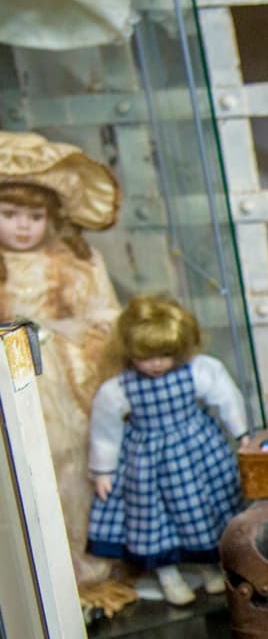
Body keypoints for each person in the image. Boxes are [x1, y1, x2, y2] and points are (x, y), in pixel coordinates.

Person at [0, 131, 122, 589]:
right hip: (11, 379)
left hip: (66, 379)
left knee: (73, 466)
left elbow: (107, 316)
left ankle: (80, 560)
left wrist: (78, 337)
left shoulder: (76, 260)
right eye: (9, 215)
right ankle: (30, 572)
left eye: (35, 216)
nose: (23, 226)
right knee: (22, 470)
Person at [87, 294, 248, 606]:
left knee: (206, 509)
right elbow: (105, 428)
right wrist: (103, 470)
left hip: (198, 452)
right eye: (146, 356)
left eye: (165, 354)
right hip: (148, 462)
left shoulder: (199, 370)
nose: (157, 364)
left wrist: (241, 433)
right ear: (129, 351)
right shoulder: (120, 388)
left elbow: (227, 397)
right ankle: (168, 574)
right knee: (153, 519)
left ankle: (209, 568)